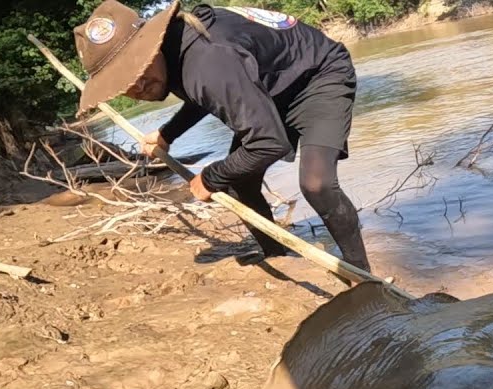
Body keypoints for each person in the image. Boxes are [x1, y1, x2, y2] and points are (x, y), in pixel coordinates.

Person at [72, 0, 372, 273]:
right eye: (124, 82)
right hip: (271, 86)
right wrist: (167, 134)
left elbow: (269, 143)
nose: (137, 87)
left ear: (151, 45)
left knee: (316, 184)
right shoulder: (177, 54)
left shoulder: (209, 58)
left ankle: (361, 274)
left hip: (317, 75)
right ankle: (275, 253)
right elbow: (206, 94)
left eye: (137, 69)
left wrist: (212, 176)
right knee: (240, 179)